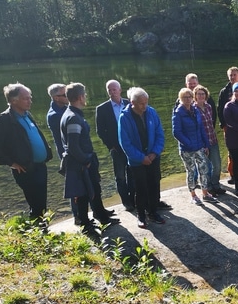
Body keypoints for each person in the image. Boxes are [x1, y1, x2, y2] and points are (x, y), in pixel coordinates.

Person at [0, 83, 53, 222]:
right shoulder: (3, 120)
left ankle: (41, 229)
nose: (30, 100)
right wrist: (11, 162)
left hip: (39, 166)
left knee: (42, 202)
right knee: (36, 203)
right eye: (25, 98)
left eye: (30, 97)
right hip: (25, 168)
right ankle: (37, 231)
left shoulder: (26, 115)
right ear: (14, 100)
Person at [60, 83, 118, 235]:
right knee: (84, 193)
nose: (85, 98)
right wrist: (86, 160)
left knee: (93, 190)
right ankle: (86, 224)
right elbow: (73, 146)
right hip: (81, 164)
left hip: (81, 162)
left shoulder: (72, 114)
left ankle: (99, 216)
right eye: (84, 95)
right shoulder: (73, 118)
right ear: (80, 97)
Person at [118, 87, 167, 228]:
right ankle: (141, 215)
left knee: (154, 184)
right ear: (132, 102)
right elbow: (125, 143)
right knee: (140, 188)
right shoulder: (125, 117)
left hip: (153, 157)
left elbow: (160, 135)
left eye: (146, 102)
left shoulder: (151, 112)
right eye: (141, 103)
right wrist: (141, 158)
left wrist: (154, 153)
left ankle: (153, 212)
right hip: (137, 161)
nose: (144, 106)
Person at [173, 87, 219, 206]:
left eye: (189, 97)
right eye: (185, 97)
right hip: (187, 149)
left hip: (199, 147)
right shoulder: (178, 113)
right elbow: (176, 132)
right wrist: (188, 143)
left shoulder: (195, 110)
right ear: (180, 99)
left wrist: (206, 144)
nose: (187, 99)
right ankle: (193, 195)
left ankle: (205, 193)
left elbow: (202, 129)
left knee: (204, 169)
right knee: (191, 171)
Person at [95, 80, 134, 211]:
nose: (112, 92)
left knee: (132, 172)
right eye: (109, 90)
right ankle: (126, 201)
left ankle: (133, 198)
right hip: (116, 148)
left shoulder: (129, 103)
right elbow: (100, 131)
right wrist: (110, 146)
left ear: (120, 90)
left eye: (114, 90)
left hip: (131, 145)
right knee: (120, 176)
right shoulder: (102, 109)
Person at [46, 83, 79, 222]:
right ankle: (77, 216)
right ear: (56, 98)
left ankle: (90, 211)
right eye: (64, 95)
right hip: (68, 155)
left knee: (83, 182)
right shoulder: (54, 115)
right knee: (74, 185)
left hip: (75, 152)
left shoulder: (65, 109)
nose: (68, 97)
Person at [217, 67, 238, 185]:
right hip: (230, 128)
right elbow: (220, 109)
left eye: (235, 75)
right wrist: (223, 125)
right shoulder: (224, 91)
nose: (232, 77)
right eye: (231, 75)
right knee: (231, 153)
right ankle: (233, 175)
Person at [194, 84, 226, 195]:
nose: (201, 96)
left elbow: (211, 123)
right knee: (204, 167)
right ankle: (208, 188)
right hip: (202, 143)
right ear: (195, 96)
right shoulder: (193, 109)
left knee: (217, 165)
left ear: (206, 95)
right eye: (199, 94)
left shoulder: (208, 107)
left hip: (213, 140)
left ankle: (216, 185)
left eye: (203, 94)